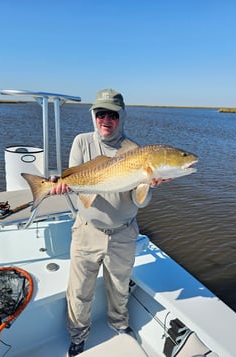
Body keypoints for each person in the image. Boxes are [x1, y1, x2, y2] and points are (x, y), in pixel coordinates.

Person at [51, 89, 162, 356]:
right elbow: (75, 179)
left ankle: (118, 325)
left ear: (121, 117)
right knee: (79, 290)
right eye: (100, 113)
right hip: (87, 231)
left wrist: (149, 183)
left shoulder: (134, 151)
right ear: (93, 116)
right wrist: (63, 185)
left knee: (119, 287)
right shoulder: (81, 142)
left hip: (123, 234)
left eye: (112, 114)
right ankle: (79, 336)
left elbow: (140, 202)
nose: (106, 119)